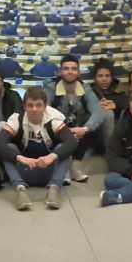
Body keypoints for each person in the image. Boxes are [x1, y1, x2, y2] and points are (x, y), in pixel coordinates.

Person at [0, 86, 76, 211]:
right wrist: (20, 158)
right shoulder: (17, 119)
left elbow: (71, 142)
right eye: (30, 105)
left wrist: (52, 156)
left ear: (45, 106)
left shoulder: (54, 119)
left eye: (38, 105)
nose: (34, 109)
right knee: (9, 148)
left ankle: (54, 189)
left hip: (49, 171)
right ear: (24, 107)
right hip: (25, 170)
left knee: (63, 149)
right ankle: (20, 190)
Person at [45, 55, 106, 183]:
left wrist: (85, 129)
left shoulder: (85, 88)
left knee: (91, 121)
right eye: (66, 69)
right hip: (58, 131)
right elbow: (44, 110)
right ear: (60, 72)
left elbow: (98, 111)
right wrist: (64, 129)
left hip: (79, 132)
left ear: (78, 72)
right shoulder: (51, 88)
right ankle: (64, 165)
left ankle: (75, 165)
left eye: (74, 69)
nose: (70, 72)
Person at [91, 59, 129, 144]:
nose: (104, 79)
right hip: (95, 133)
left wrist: (115, 106)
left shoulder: (119, 90)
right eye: (100, 76)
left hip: (118, 132)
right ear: (95, 78)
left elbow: (128, 106)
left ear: (111, 78)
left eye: (107, 76)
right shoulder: (89, 92)